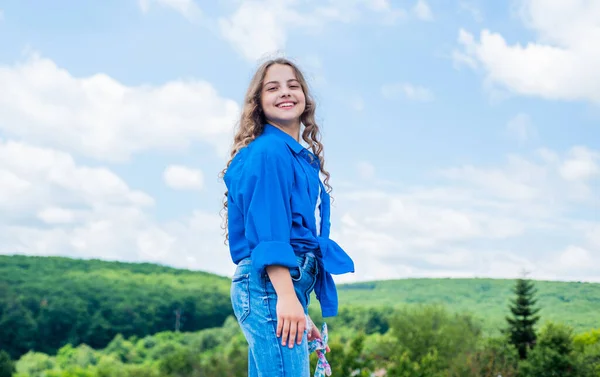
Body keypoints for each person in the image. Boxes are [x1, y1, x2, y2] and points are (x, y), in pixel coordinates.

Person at [220, 57, 355, 377]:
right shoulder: (270, 151)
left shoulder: (293, 157)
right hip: (271, 285)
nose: (285, 92)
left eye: (293, 85)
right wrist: (285, 297)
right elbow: (270, 232)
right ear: (258, 102)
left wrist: (295, 301)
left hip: (278, 287)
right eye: (273, 87)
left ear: (306, 99)